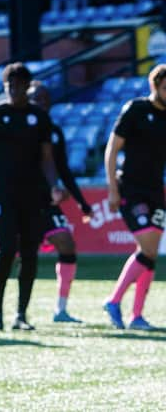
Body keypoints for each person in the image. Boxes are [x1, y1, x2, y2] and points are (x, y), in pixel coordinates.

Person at [0, 80, 93, 323]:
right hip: (20, 198)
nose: (40, 102)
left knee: (65, 243)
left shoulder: (52, 131)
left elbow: (62, 168)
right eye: (35, 98)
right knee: (10, 254)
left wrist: (81, 201)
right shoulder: (15, 125)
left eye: (45, 98)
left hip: (46, 203)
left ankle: (60, 310)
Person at [0, 63, 63, 331]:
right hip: (3, 195)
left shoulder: (40, 118)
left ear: (28, 86)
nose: (14, 90)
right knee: (6, 251)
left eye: (19, 85)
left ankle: (21, 315)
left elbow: (48, 159)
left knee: (29, 253)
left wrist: (53, 186)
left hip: (34, 196)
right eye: (9, 85)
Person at [103, 64, 166, 331]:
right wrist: (112, 188)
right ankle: (114, 301)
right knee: (149, 249)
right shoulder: (136, 109)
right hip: (131, 188)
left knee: (149, 254)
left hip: (156, 191)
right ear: (155, 86)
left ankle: (136, 315)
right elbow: (112, 148)